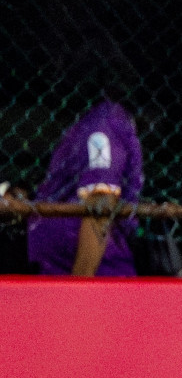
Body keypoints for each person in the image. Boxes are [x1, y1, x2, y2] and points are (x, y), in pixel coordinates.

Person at [27, 93, 143, 277]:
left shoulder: (102, 123)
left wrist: (80, 286)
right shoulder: (84, 124)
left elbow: (102, 198)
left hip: (97, 276)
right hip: (59, 269)